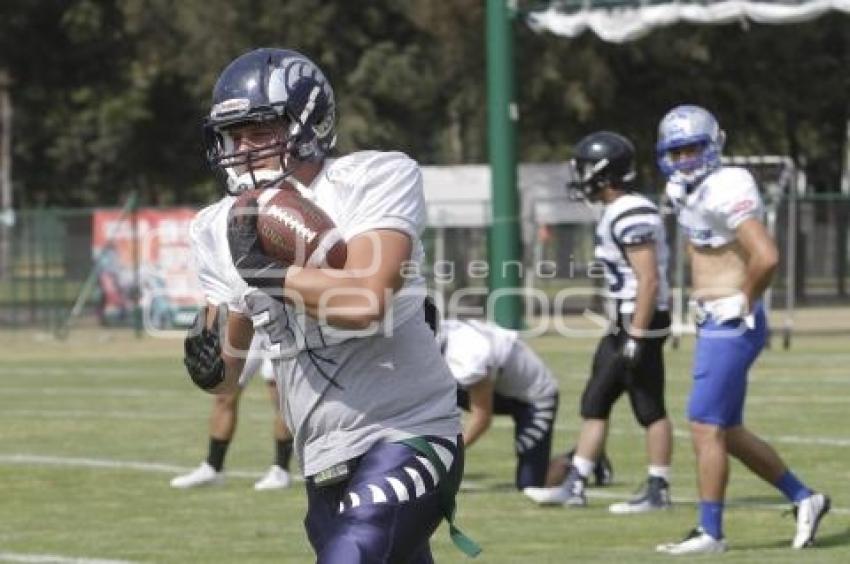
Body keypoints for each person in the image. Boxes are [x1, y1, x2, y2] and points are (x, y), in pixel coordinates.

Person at [181, 48, 475, 562]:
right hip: (322, 457)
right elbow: (228, 376)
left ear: (308, 122)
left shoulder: (373, 178)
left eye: (260, 131)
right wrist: (207, 362)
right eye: (234, 135)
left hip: (408, 431)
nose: (242, 149)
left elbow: (366, 300)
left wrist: (270, 272)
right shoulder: (217, 226)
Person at [654, 105, 830, 554]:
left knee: (702, 424)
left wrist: (742, 300)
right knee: (726, 430)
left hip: (733, 322)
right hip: (714, 319)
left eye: (694, 147)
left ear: (714, 145)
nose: (686, 158)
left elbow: (766, 256)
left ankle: (711, 532)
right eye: (677, 150)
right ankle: (804, 498)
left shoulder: (728, 185)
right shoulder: (681, 188)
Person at [524, 131, 674, 514]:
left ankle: (658, 487)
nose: (582, 175)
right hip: (626, 319)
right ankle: (575, 483)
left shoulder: (631, 211)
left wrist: (636, 336)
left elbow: (648, 279)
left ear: (605, 172)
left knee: (648, 404)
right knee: (597, 399)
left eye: (588, 168)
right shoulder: (617, 210)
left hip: (641, 319)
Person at [171, 333, 293, 490]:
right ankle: (213, 467)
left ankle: (281, 469)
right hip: (250, 326)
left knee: (281, 395)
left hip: (279, 325)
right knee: (225, 392)